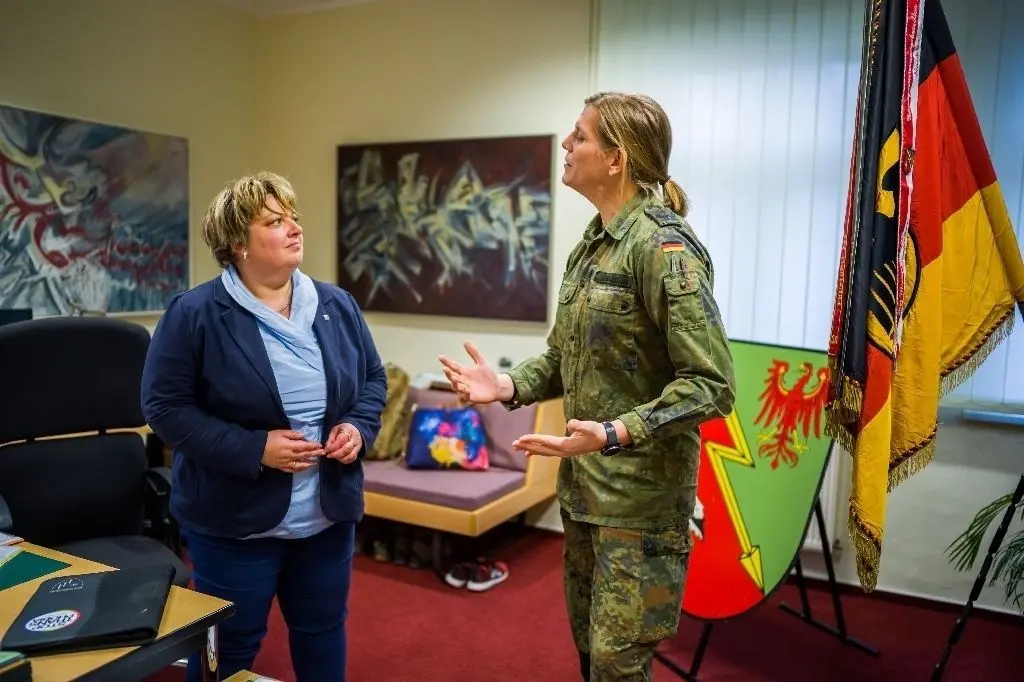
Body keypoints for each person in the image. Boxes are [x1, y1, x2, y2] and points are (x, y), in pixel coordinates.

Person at [439, 92, 736, 681]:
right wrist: (504, 385)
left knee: (616, 667)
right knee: (589, 656)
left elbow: (712, 383)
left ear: (618, 157)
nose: (567, 145)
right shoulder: (592, 243)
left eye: (580, 136)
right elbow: (562, 357)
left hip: (640, 508)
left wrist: (614, 431)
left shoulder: (662, 247)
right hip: (585, 497)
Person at [141, 171, 387, 682]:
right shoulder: (196, 313)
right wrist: (255, 448)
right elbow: (165, 409)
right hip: (235, 522)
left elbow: (371, 380)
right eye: (276, 222)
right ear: (238, 244)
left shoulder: (336, 305)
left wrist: (359, 429)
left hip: (326, 516)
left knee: (322, 630)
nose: (295, 228)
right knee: (229, 650)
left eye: (293, 217)